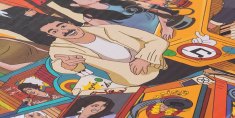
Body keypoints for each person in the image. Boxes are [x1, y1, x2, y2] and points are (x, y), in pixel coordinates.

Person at [31, 19, 172, 87]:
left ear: (70, 23)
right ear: (51, 36)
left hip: (164, 67)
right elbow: (58, 65)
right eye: (55, 31)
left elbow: (156, 40)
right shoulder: (59, 48)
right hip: (136, 81)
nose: (64, 30)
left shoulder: (105, 29)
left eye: (63, 25)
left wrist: (144, 58)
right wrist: (68, 65)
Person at [49, 0, 194, 37]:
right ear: (75, 5)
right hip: (156, 36)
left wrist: (166, 27)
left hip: (169, 25)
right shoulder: (91, 18)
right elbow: (120, 34)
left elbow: (155, 9)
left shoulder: (114, 0)